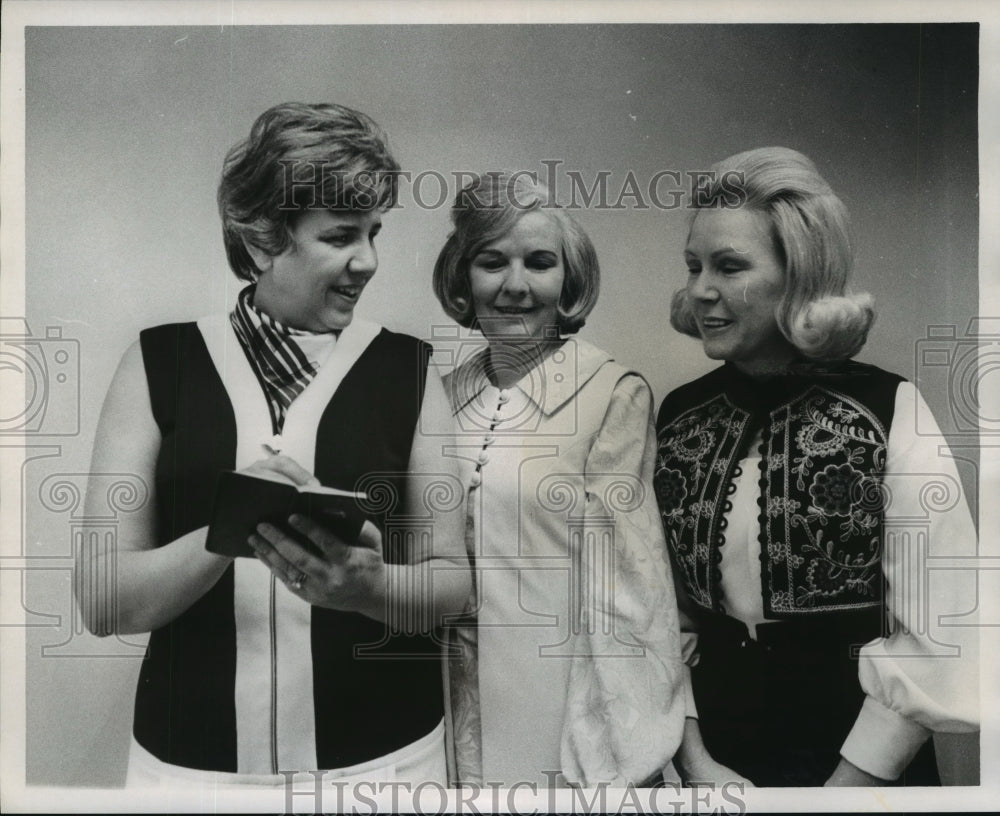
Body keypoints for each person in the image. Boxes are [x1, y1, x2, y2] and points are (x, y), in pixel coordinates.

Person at [75, 102, 470, 788]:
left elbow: (451, 583)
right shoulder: (158, 364)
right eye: (342, 235)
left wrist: (372, 589)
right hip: (192, 779)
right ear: (262, 241)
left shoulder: (406, 371)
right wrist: (230, 527)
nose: (368, 261)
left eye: (374, 232)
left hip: (384, 769)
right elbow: (104, 601)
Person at [656, 146, 979, 787]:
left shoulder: (888, 408)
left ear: (800, 277)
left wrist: (845, 791)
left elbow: (945, 627)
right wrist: (697, 766)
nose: (700, 291)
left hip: (859, 757)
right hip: (715, 758)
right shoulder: (680, 415)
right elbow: (661, 617)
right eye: (694, 266)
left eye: (729, 266)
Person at [432, 173, 687, 788]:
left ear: (568, 280)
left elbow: (631, 581)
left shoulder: (611, 392)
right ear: (463, 277)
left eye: (539, 263)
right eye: (491, 262)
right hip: (453, 689)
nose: (515, 285)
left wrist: (616, 742)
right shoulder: (441, 397)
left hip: (565, 697)